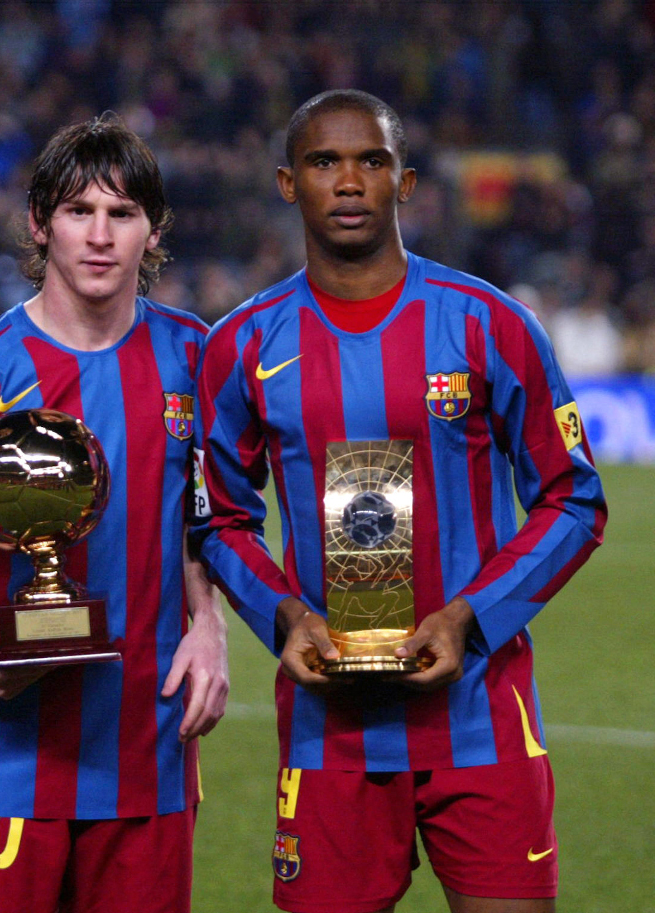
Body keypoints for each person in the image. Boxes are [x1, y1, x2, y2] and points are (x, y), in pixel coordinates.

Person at [192, 90, 606, 913]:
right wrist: (284, 616)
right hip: (328, 727)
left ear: (405, 183)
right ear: (287, 183)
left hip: (481, 714)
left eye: (371, 161)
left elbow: (573, 497)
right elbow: (220, 518)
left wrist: (470, 617)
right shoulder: (242, 345)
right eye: (324, 162)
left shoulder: (493, 324)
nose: (349, 181)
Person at [0, 113, 229, 913]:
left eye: (121, 214)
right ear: (37, 223)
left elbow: (209, 517)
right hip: (6, 745)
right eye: (77, 211)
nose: (99, 235)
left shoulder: (199, 361)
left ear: (153, 232)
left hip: (147, 740)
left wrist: (209, 623)